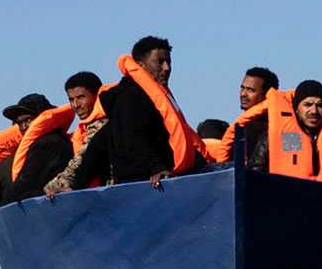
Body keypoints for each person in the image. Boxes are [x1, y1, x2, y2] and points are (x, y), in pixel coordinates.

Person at [50, 36, 206, 192]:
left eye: (168, 62)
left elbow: (102, 139)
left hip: (159, 179)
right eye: (159, 62)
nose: (166, 68)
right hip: (141, 186)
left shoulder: (151, 97)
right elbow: (134, 137)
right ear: (140, 65)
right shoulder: (130, 97)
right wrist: (156, 168)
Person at [0, 94, 57, 214]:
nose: (24, 126)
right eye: (19, 122)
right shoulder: (2, 169)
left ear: (43, 119)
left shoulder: (60, 145)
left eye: (29, 120)